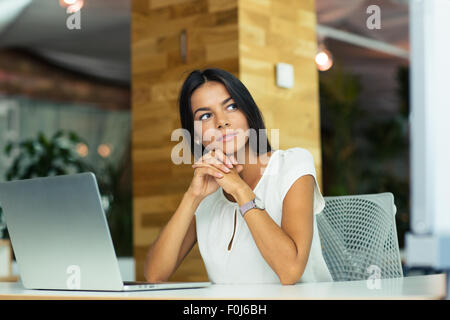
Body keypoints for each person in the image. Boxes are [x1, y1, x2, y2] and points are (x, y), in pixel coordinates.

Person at [144, 68, 332, 285]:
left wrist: (240, 189)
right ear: (195, 134)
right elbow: (155, 275)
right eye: (205, 115)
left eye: (231, 106)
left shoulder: (292, 165)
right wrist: (192, 197)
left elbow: (290, 271)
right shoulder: (206, 195)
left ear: (247, 112)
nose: (221, 122)